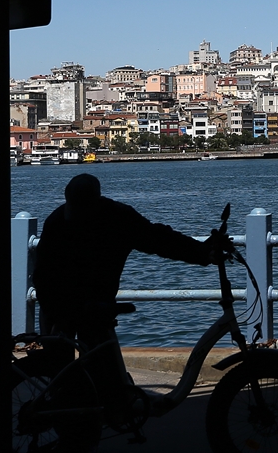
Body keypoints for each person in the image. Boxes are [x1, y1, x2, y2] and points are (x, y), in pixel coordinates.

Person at [32, 173, 216, 419]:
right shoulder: (108, 217)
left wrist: (202, 253)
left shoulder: (68, 218)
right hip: (66, 301)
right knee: (66, 371)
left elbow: (158, 239)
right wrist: (202, 253)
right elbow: (158, 239)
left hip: (80, 302)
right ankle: (83, 420)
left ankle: (87, 420)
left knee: (81, 369)